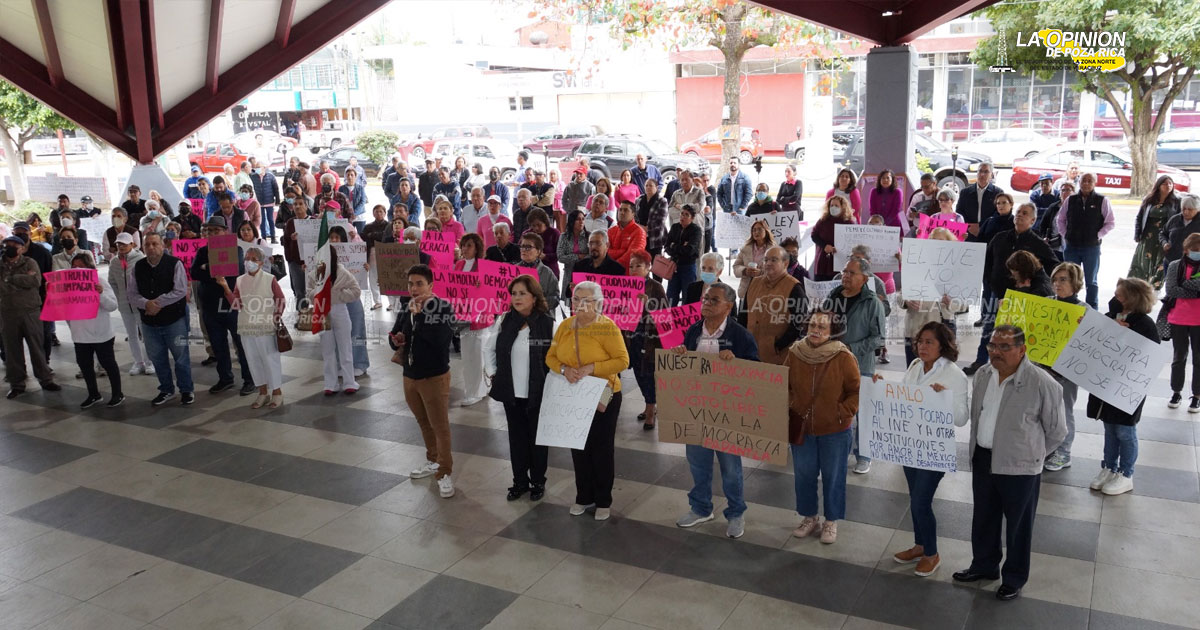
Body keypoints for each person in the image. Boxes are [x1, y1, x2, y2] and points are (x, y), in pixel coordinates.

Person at [954, 325, 1065, 602]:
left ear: (1022, 349)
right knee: (984, 517)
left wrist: (1033, 457)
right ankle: (984, 565)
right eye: (992, 346)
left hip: (1020, 467)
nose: (996, 352)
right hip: (983, 458)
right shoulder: (982, 375)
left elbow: (1057, 431)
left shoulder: (1042, 383)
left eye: (1005, 347)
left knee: (1018, 526)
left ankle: (1014, 577)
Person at [671, 281, 758, 536]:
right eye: (705, 299)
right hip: (696, 410)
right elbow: (684, 363)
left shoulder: (741, 336)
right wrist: (679, 354)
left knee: (731, 468)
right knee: (698, 463)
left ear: (728, 307)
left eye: (713, 300)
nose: (706, 304)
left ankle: (735, 512)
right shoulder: (693, 331)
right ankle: (700, 508)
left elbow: (756, 371)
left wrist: (737, 363)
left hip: (726, 413)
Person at [886, 322, 969, 576]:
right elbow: (901, 395)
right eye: (920, 341)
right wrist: (880, 389)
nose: (922, 346)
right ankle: (920, 545)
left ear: (943, 346)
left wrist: (942, 398)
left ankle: (932, 554)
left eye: (929, 342)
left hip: (934, 449)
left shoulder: (955, 375)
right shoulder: (914, 366)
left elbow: (962, 418)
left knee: (921, 502)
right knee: (914, 499)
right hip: (910, 444)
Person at [547, 281, 629, 520]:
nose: (579, 305)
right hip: (574, 393)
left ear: (598, 304)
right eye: (575, 299)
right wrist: (563, 370)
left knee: (601, 448)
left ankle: (603, 500)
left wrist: (593, 367)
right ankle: (584, 495)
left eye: (586, 300)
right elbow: (550, 357)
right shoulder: (564, 327)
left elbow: (623, 361)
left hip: (604, 393)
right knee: (578, 446)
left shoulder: (607, 327)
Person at [786, 307, 860, 544]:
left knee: (833, 476)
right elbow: (783, 383)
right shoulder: (796, 353)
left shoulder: (843, 357)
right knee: (804, 475)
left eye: (821, 327)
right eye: (812, 325)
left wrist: (842, 412)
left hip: (835, 430)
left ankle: (831, 521)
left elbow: (855, 391)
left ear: (832, 331)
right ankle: (809, 517)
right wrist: (791, 405)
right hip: (802, 428)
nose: (815, 330)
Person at [1086, 278, 1160, 496]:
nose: (1115, 298)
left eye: (1120, 295)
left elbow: (1149, 357)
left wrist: (1124, 336)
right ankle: (1109, 466)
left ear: (1132, 298)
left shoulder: (1146, 325)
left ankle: (1126, 473)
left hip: (1127, 387)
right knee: (1109, 427)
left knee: (1125, 431)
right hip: (1106, 384)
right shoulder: (1110, 317)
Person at [485, 274, 554, 501]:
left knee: (537, 439)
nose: (517, 297)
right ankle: (519, 481)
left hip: (538, 392)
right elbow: (490, 348)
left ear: (534, 297)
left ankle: (537, 482)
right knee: (516, 438)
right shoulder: (505, 319)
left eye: (522, 293)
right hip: (511, 392)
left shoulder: (547, 323)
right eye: (514, 293)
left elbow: (555, 356)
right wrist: (494, 373)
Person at [390, 264, 456, 498]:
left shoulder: (442, 307)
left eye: (419, 283)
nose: (414, 288)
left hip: (434, 376)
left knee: (440, 425)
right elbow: (396, 334)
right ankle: (433, 460)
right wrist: (397, 339)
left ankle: (445, 472)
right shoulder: (406, 307)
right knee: (423, 421)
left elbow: (440, 341)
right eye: (410, 284)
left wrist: (421, 316)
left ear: (431, 285)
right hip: (410, 374)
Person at [825, 257, 885, 474]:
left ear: (865, 278)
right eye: (844, 271)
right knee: (837, 407)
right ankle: (839, 452)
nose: (846, 276)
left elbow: (878, 338)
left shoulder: (872, 303)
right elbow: (824, 321)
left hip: (861, 364)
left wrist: (851, 347)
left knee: (863, 411)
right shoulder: (833, 296)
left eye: (852, 273)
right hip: (832, 362)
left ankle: (864, 455)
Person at [127, 233, 194, 406]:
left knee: (181, 357)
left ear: (162, 245)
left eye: (154, 243)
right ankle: (166, 389)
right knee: (157, 358)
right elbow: (132, 294)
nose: (151, 247)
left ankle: (186, 389)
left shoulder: (174, 263)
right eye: (147, 244)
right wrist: (146, 303)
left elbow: (180, 290)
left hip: (175, 320)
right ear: (142, 247)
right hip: (149, 323)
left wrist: (157, 303)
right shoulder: (137, 267)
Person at [191, 216, 255, 396]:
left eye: (216, 230)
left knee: (241, 344)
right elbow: (194, 272)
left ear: (225, 231)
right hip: (210, 306)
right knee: (218, 345)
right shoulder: (202, 251)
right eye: (209, 231)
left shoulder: (236, 249)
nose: (212, 234)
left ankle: (249, 379)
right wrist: (212, 268)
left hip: (231, 304)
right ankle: (225, 378)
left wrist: (207, 268)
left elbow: (236, 270)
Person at [215, 246, 285, 409]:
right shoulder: (240, 280)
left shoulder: (269, 279)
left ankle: (277, 392)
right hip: (247, 326)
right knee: (253, 360)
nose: (249, 262)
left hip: (265, 326)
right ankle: (262, 392)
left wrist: (275, 317)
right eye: (247, 259)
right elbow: (236, 304)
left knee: (270, 359)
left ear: (261, 262)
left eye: (254, 259)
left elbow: (280, 299)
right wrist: (225, 287)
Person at [0, 235, 61, 399]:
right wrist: (21, 279)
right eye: (7, 245)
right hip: (7, 312)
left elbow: (35, 281)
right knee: (12, 349)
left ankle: (45, 379)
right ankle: (17, 383)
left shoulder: (29, 262)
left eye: (14, 245)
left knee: (36, 346)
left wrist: (12, 279)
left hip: (30, 310)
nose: (10, 248)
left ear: (21, 248)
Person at [1043, 262, 1087, 471]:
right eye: (1055, 279)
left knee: (1064, 411)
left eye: (1063, 280)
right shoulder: (1046, 303)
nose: (1057, 284)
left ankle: (1064, 452)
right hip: (1043, 368)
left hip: (1066, 372)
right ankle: (1048, 448)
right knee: (1043, 410)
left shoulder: (1084, 311)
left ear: (1075, 283)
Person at [66, 254, 124, 408]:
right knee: (85, 365)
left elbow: (112, 306)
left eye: (80, 266)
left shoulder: (99, 281)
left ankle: (117, 393)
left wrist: (101, 293)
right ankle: (93, 394)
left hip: (101, 333)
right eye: (74, 267)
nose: (77, 270)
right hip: (80, 334)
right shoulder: (69, 285)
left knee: (108, 363)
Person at [309, 235, 361, 396]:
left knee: (345, 347)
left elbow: (356, 291)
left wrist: (335, 295)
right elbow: (308, 293)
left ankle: (348, 381)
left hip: (339, 310)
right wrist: (320, 294)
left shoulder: (342, 272)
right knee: (327, 349)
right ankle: (330, 383)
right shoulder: (314, 274)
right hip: (322, 312)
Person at [900, 228, 960, 365]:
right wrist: (906, 300)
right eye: (933, 240)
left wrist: (950, 302)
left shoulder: (956, 269)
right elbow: (900, 296)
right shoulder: (915, 264)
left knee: (939, 371)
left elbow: (964, 304)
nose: (936, 244)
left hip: (941, 328)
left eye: (941, 241)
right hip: (915, 326)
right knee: (914, 370)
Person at [1056, 172, 1115, 310]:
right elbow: (1060, 220)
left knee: (1091, 281)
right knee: (1070, 278)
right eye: (1083, 181)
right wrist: (1066, 234)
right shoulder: (1070, 200)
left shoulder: (1102, 200)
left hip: (1091, 248)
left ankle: (1092, 309)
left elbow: (1110, 222)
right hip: (1071, 247)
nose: (1086, 183)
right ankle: (1070, 304)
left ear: (1095, 183)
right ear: (1079, 182)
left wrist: (1097, 235)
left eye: (1090, 181)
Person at [741, 246, 805, 365]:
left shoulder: (794, 288)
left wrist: (778, 345)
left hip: (778, 357)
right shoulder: (754, 282)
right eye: (766, 260)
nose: (768, 263)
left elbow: (799, 322)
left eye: (774, 260)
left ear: (785, 263)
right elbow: (743, 314)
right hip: (750, 352)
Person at [625, 250, 667, 430]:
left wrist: (648, 304)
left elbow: (665, 315)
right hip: (631, 336)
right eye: (631, 266)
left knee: (648, 374)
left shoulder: (655, 287)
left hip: (649, 338)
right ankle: (648, 404)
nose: (634, 269)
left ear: (648, 268)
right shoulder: (625, 286)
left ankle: (651, 410)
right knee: (637, 373)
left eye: (638, 266)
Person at [327, 226, 371, 378]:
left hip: (351, 298)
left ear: (343, 240)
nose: (334, 240)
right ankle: (342, 364)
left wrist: (365, 268)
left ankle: (360, 363)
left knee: (357, 330)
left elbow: (359, 273)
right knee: (337, 332)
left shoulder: (352, 253)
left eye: (337, 237)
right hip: (334, 300)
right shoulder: (324, 256)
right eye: (331, 237)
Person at [108, 233, 153, 375]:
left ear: (132, 244)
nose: (121, 246)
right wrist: (119, 297)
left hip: (139, 304)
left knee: (146, 334)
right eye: (118, 244)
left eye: (124, 244)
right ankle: (138, 362)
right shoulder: (114, 262)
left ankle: (149, 362)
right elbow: (112, 282)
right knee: (132, 335)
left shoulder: (140, 259)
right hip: (124, 305)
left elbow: (146, 282)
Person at [1165, 233, 1200, 412]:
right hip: (1178, 318)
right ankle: (1176, 391)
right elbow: (1171, 289)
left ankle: (1196, 396)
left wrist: (1185, 285)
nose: (1197, 254)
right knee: (1179, 357)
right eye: (1194, 251)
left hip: (1198, 320)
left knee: (1198, 359)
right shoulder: (1174, 266)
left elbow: (1182, 287)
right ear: (1186, 250)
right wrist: (1195, 290)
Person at [455, 233, 490, 407]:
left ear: (477, 248)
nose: (465, 249)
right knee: (468, 356)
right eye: (463, 245)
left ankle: (476, 391)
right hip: (463, 315)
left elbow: (490, 291)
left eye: (469, 245)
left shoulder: (483, 266)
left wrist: (480, 287)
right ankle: (477, 389)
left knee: (477, 355)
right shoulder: (459, 264)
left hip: (479, 317)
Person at [1129, 175, 1180, 290]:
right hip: (1148, 236)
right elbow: (1139, 217)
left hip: (1165, 238)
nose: (1168, 186)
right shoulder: (1149, 200)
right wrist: (1137, 234)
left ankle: (1154, 288)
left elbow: (1179, 221)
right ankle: (1138, 286)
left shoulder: (1177, 201)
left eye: (1170, 184)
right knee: (1143, 262)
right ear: (1159, 185)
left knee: (1161, 263)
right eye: (1165, 184)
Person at [663, 205, 703, 306]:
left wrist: (674, 246)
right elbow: (667, 246)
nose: (683, 217)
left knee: (688, 297)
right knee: (671, 297)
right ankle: (671, 319)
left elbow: (690, 250)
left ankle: (687, 321)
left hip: (688, 267)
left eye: (686, 215)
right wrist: (680, 247)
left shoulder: (696, 230)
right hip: (673, 267)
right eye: (682, 213)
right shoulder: (675, 227)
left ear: (692, 218)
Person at [956, 162, 1003, 238]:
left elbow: (998, 213)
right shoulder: (965, 192)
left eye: (986, 172)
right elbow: (959, 211)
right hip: (968, 232)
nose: (982, 174)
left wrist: (981, 226)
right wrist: (969, 226)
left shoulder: (998, 192)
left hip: (989, 231)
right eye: (980, 171)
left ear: (991, 175)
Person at [811, 196, 854, 280]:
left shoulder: (849, 223)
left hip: (840, 261)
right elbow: (814, 235)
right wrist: (824, 245)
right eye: (831, 205)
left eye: (837, 206)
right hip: (823, 260)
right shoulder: (822, 220)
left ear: (843, 207)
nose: (833, 208)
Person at [515, 232, 560, 311]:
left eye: (528, 247)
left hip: (540, 317)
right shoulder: (513, 270)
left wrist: (537, 302)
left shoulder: (547, 273)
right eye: (522, 246)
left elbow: (555, 298)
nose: (523, 250)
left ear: (538, 251)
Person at [733, 219, 775, 300]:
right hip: (746, 291)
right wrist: (744, 271)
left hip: (765, 291)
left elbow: (777, 271)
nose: (756, 232)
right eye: (754, 230)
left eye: (759, 229)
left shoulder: (773, 250)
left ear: (766, 231)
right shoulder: (745, 249)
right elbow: (736, 266)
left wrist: (761, 272)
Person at [1159, 193, 1200, 270]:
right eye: (1184, 209)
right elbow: (1163, 233)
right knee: (1170, 282)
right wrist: (1164, 243)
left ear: (1198, 209)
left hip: (1193, 265)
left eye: (1190, 209)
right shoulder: (1175, 219)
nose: (1186, 212)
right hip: (1170, 261)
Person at [361, 204, 390, 310]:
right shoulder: (368, 226)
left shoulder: (389, 225)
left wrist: (372, 235)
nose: (378, 213)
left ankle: (391, 302)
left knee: (387, 277)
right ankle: (377, 301)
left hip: (386, 252)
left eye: (381, 211)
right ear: (373, 213)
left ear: (385, 213)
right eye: (376, 211)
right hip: (372, 252)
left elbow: (386, 237)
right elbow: (363, 239)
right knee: (373, 277)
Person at [607, 201, 647, 271]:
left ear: (633, 214)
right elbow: (604, 252)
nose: (622, 212)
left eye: (626, 210)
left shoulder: (640, 232)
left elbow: (632, 256)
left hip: (629, 276)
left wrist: (611, 267)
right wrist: (622, 251)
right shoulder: (611, 230)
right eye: (620, 210)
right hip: (609, 274)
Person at [634, 178, 668, 259]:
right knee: (641, 263)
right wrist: (640, 228)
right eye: (646, 185)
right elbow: (634, 217)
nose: (648, 187)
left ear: (656, 187)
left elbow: (661, 221)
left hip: (655, 237)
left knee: (655, 268)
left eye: (651, 185)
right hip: (640, 236)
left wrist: (646, 229)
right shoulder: (639, 199)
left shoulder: (662, 201)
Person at [250, 161, 281, 244]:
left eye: (259, 167)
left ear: (264, 168)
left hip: (269, 201)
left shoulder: (270, 176)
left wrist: (277, 200)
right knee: (262, 221)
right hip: (259, 202)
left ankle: (273, 237)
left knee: (270, 220)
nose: (257, 169)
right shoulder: (253, 177)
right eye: (256, 167)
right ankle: (263, 238)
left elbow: (276, 189)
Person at [524, 208, 559, 277]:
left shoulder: (554, 233)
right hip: (530, 270)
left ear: (545, 222)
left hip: (550, 271)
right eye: (533, 225)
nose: (536, 228)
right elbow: (521, 250)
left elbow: (560, 254)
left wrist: (546, 256)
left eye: (539, 225)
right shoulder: (527, 234)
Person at [340, 168, 368, 233]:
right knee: (347, 235)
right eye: (348, 175)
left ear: (355, 176)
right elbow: (340, 203)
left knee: (362, 235)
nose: (350, 177)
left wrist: (355, 213)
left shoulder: (360, 188)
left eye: (352, 175)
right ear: (345, 177)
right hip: (347, 217)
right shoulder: (341, 188)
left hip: (360, 216)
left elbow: (363, 201)